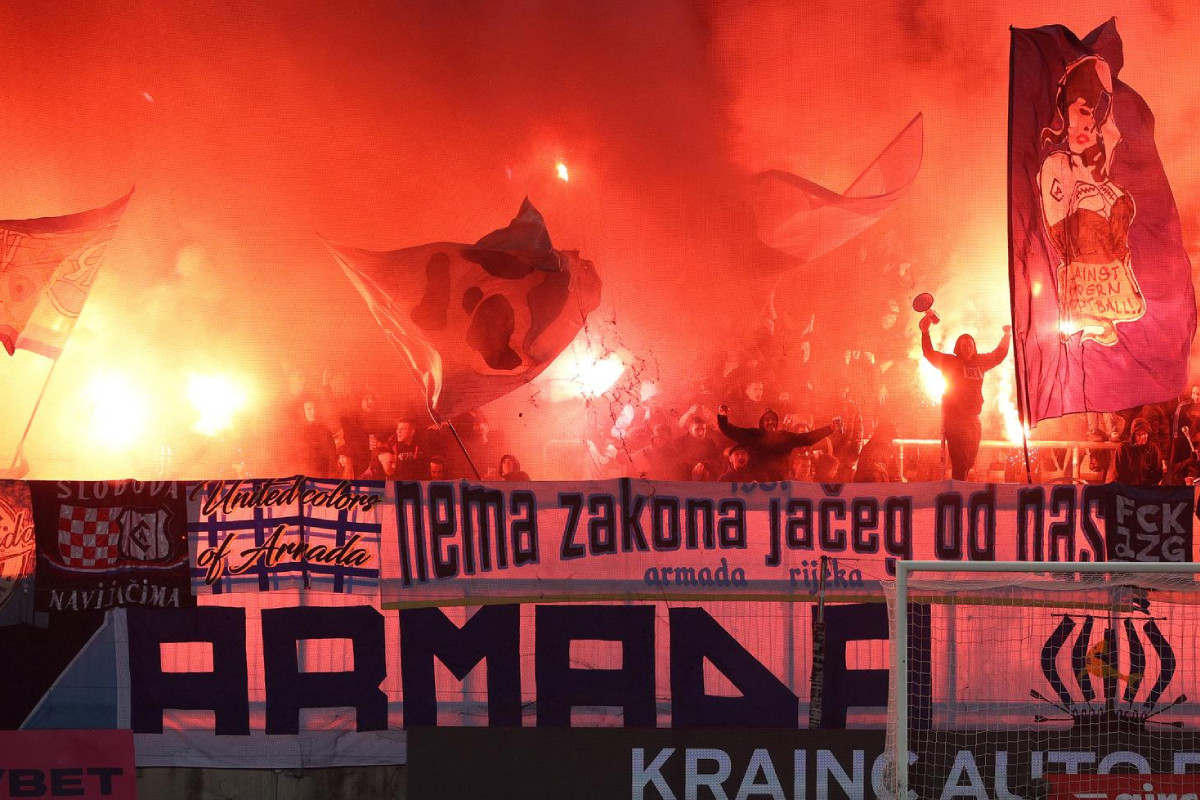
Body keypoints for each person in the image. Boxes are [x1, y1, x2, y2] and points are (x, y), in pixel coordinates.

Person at [1039, 54, 1144, 346]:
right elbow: (1058, 227)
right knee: (1089, 202)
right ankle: (1087, 317)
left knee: (1111, 198)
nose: (1080, 130)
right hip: (1081, 270)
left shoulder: (1110, 180)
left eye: (1086, 116)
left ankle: (1100, 321)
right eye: (1072, 122)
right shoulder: (1057, 166)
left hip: (1112, 276)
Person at [920, 315, 1011, 480]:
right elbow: (929, 353)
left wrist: (1007, 336)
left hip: (973, 419)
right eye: (964, 344)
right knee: (960, 461)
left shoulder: (980, 362)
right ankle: (957, 495)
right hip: (955, 419)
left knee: (969, 460)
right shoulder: (949, 362)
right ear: (958, 348)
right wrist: (925, 332)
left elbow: (998, 355)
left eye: (971, 344)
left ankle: (960, 488)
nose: (968, 346)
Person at [716, 406, 841, 482]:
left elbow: (807, 439)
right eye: (767, 420)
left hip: (780, 483)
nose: (771, 422)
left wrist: (829, 428)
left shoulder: (784, 437)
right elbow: (730, 431)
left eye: (773, 420)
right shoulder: (752, 436)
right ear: (761, 423)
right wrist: (722, 417)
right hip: (756, 484)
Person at [1107, 417, 1164, 485]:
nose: (1142, 437)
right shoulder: (1123, 448)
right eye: (1138, 434)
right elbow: (1118, 475)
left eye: (1144, 433)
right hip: (1127, 487)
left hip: (1145, 488)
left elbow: (1157, 473)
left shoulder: (1153, 449)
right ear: (1133, 435)